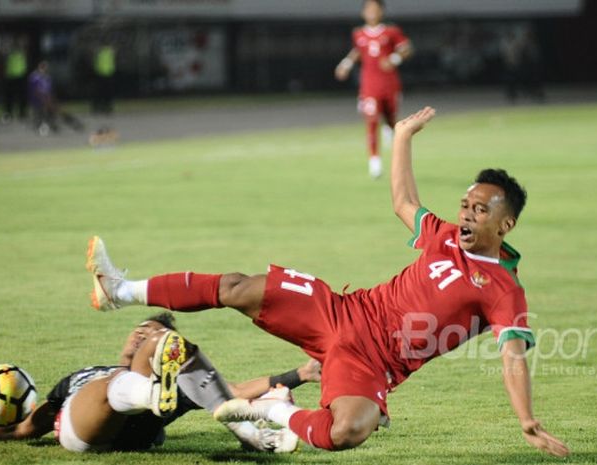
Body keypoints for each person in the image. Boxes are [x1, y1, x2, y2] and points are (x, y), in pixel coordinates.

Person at [85, 106, 569, 457]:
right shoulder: (442, 235)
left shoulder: (505, 289)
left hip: (374, 362)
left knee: (349, 431)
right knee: (237, 287)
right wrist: (402, 137)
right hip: (340, 311)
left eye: (479, 211)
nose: (464, 215)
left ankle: (271, 411)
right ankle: (118, 290)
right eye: (465, 205)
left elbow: (512, 356)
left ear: (504, 226)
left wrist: (526, 420)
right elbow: (403, 202)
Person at [0, 312, 320, 453]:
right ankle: (151, 393)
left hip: (133, 427)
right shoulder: (91, 376)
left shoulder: (179, 379)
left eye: (148, 333)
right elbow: (22, 430)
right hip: (87, 427)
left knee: (189, 369)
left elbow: (232, 392)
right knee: (116, 384)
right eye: (138, 331)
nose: (139, 336)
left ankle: (245, 427)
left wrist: (299, 374)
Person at [335, 0, 412, 179]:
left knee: (392, 119)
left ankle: (390, 135)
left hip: (390, 84)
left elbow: (407, 49)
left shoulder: (391, 31)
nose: (371, 12)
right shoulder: (358, 33)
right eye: (368, 9)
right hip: (369, 85)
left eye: (375, 9)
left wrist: (394, 59)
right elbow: (358, 51)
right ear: (363, 12)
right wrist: (345, 64)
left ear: (382, 12)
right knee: (370, 121)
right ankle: (374, 162)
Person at [3, 36, 29, 122]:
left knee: (21, 97)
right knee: (10, 97)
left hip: (20, 77)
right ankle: (9, 113)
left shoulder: (21, 54)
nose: (16, 46)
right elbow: (6, 66)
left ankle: (22, 113)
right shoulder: (10, 55)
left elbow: (24, 66)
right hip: (11, 78)